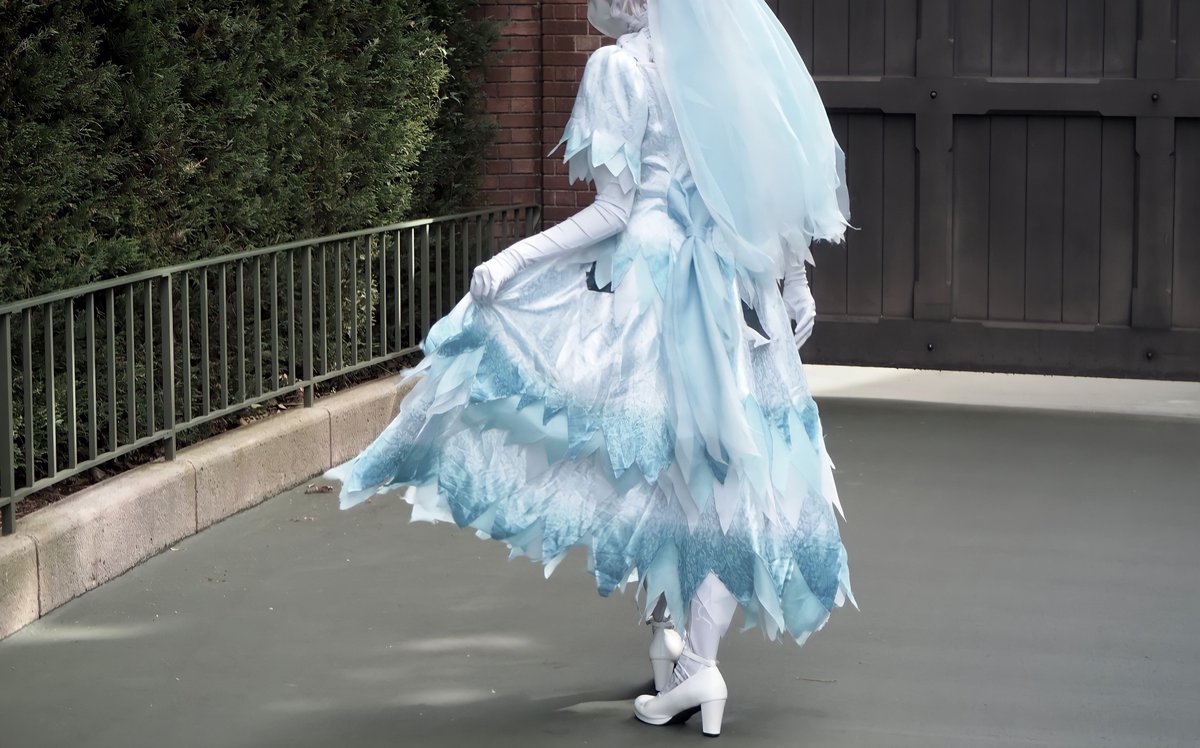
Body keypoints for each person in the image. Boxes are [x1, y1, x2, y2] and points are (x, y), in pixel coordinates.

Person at [329, 0, 854, 737]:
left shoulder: (619, 68)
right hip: (733, 296)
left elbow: (614, 210)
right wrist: (795, 281)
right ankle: (687, 657)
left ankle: (687, 659)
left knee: (649, 466)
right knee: (725, 476)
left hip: (653, 296)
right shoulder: (726, 70)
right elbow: (768, 190)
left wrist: (515, 258)